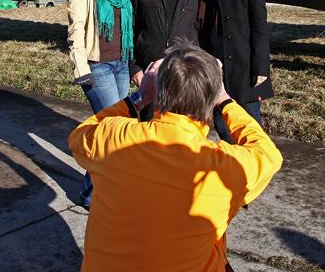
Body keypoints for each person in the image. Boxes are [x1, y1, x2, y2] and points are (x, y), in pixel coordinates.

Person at [68, 41, 283, 272]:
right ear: (211, 101)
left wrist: (139, 97)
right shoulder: (223, 166)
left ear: (160, 93)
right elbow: (268, 154)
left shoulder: (113, 136)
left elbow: (80, 136)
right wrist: (225, 101)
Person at [67, 0, 139, 208]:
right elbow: (76, 31)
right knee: (111, 130)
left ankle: (99, 188)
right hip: (98, 66)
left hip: (120, 64)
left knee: (117, 130)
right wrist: (81, 69)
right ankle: (91, 194)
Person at [198, 0, 273, 141]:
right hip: (216, 61)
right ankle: (231, 167)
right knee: (222, 123)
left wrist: (261, 67)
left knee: (250, 125)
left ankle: (254, 169)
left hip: (244, 61)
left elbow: (259, 24)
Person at [131, 0, 198, 120]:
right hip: (150, 75)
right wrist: (135, 67)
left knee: (181, 133)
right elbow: (131, 29)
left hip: (183, 77)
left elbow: (201, 35)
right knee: (146, 130)